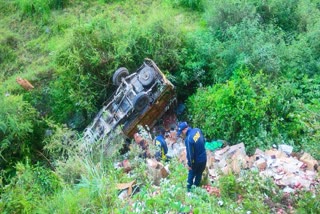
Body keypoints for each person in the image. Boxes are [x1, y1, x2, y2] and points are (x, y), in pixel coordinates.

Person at [177, 121, 207, 192]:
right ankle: (196, 188)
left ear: (185, 130)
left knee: (191, 174)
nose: (182, 134)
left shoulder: (188, 139)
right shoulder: (197, 130)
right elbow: (203, 140)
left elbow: (190, 154)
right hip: (204, 157)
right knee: (199, 174)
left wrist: (190, 164)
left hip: (197, 161)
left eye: (181, 132)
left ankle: (189, 191)